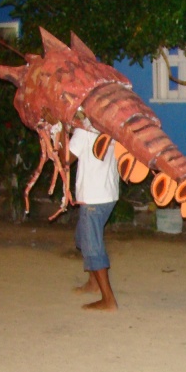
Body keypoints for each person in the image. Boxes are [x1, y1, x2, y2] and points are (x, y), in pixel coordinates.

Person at [63, 125, 120, 311]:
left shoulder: (84, 130)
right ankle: (93, 283)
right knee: (83, 237)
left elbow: (64, 160)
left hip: (93, 198)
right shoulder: (110, 124)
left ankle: (108, 299)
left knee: (92, 247)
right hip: (108, 194)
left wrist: (58, 132)